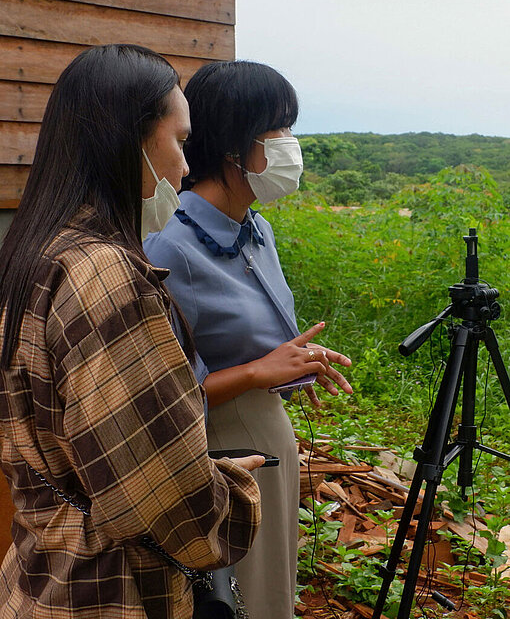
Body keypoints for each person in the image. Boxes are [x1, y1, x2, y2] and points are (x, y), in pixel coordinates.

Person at [0, 45, 263, 619]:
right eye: (178, 139)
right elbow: (172, 503)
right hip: (111, 589)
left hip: (41, 571)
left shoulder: (35, 252)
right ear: (131, 140)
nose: (185, 166)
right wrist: (231, 492)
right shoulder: (107, 274)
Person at [144, 60, 353, 619]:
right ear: (235, 144)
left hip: (267, 429)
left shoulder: (256, 228)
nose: (291, 146)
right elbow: (159, 397)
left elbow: (258, 337)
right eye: (278, 130)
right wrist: (260, 372)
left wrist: (291, 364)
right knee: (236, 598)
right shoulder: (170, 246)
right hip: (216, 448)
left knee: (271, 589)